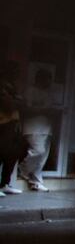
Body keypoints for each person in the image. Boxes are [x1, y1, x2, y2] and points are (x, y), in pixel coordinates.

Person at [20, 68, 57, 192]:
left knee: (43, 157)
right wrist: (44, 110)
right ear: (40, 79)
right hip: (33, 127)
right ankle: (24, 169)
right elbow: (27, 109)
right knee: (38, 151)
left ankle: (35, 181)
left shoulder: (48, 93)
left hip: (46, 127)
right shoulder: (30, 91)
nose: (49, 82)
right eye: (47, 79)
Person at [0, 60, 25, 196]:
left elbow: (22, 104)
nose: (17, 73)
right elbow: (7, 104)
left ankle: (4, 184)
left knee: (12, 154)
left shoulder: (12, 85)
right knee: (2, 153)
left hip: (12, 122)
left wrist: (17, 100)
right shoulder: (3, 84)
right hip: (3, 123)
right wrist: (17, 100)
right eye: (14, 70)